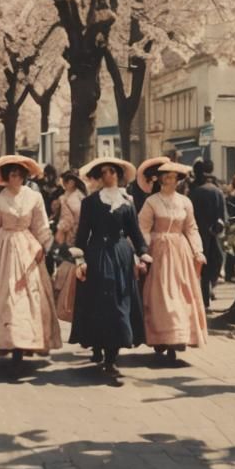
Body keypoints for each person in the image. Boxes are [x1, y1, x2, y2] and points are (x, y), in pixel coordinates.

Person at [0, 155, 61, 365]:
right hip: (4, 249)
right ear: (6, 177)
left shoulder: (34, 197)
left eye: (20, 175)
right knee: (8, 296)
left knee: (29, 295)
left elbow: (41, 227)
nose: (16, 179)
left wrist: (48, 246)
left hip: (28, 248)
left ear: (25, 176)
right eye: (12, 175)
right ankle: (12, 341)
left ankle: (25, 341)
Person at [70, 157, 149, 378]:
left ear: (119, 174)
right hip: (98, 255)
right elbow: (82, 235)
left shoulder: (127, 201)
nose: (109, 175)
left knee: (120, 302)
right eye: (103, 172)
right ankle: (99, 346)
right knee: (102, 303)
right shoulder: (91, 202)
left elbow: (135, 231)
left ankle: (112, 357)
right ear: (98, 177)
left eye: (112, 171)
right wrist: (80, 260)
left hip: (122, 255)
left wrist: (143, 252)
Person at [139, 162, 208, 365]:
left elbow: (191, 227)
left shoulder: (185, 202)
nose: (170, 181)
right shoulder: (152, 202)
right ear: (159, 179)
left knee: (181, 292)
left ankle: (178, 338)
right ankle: (162, 339)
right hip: (159, 251)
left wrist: (198, 251)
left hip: (180, 251)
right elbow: (142, 227)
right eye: (166, 177)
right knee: (161, 294)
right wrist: (144, 251)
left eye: (174, 177)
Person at [188, 160, 226, 311]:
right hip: (213, 234)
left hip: (196, 234)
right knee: (215, 262)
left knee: (200, 267)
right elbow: (223, 217)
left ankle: (204, 297)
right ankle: (209, 291)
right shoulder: (217, 191)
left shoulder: (193, 192)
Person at [51, 169, 87, 323]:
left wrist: (59, 233)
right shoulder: (82, 196)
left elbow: (67, 221)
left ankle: (68, 301)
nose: (64, 185)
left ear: (71, 182)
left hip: (71, 235)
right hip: (84, 234)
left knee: (68, 265)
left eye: (66, 181)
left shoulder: (67, 199)